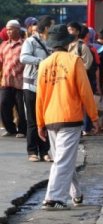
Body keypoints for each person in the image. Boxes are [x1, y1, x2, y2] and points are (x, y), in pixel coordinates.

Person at [36, 24, 99, 210]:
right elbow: (85, 92)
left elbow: (39, 96)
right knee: (64, 159)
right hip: (70, 117)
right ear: (67, 43)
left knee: (62, 158)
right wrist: (94, 117)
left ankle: (76, 194)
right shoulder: (74, 61)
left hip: (50, 118)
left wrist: (40, 122)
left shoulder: (44, 64)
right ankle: (53, 197)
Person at [20, 15, 54, 162]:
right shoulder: (31, 41)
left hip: (47, 87)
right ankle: (32, 151)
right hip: (31, 86)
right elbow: (23, 58)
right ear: (46, 27)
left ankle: (45, 151)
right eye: (51, 26)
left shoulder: (52, 43)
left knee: (46, 120)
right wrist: (42, 61)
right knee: (33, 120)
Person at [0, 20, 27, 138]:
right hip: (6, 81)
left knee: (21, 108)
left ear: (18, 29)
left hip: (21, 82)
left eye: (11, 29)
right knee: (3, 104)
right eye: (7, 29)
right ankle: (10, 129)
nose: (8, 31)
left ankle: (22, 130)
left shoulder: (25, 45)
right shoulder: (3, 45)